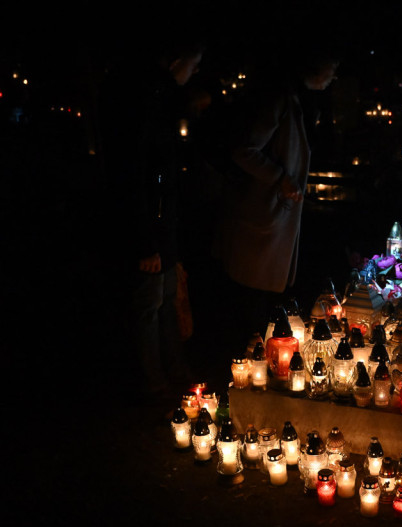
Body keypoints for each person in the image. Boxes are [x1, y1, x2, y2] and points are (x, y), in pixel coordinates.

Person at [100, 38, 204, 401]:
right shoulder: (146, 100)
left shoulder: (156, 97)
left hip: (161, 226)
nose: (194, 72)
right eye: (193, 64)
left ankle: (172, 371)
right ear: (176, 60)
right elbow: (136, 174)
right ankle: (156, 379)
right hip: (153, 228)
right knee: (151, 306)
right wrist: (147, 240)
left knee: (165, 304)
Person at [217, 51, 339, 335]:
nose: (334, 77)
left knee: (269, 296)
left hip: (280, 215)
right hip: (265, 215)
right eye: (331, 69)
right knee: (255, 299)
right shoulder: (280, 100)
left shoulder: (300, 101)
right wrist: (281, 178)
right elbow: (245, 151)